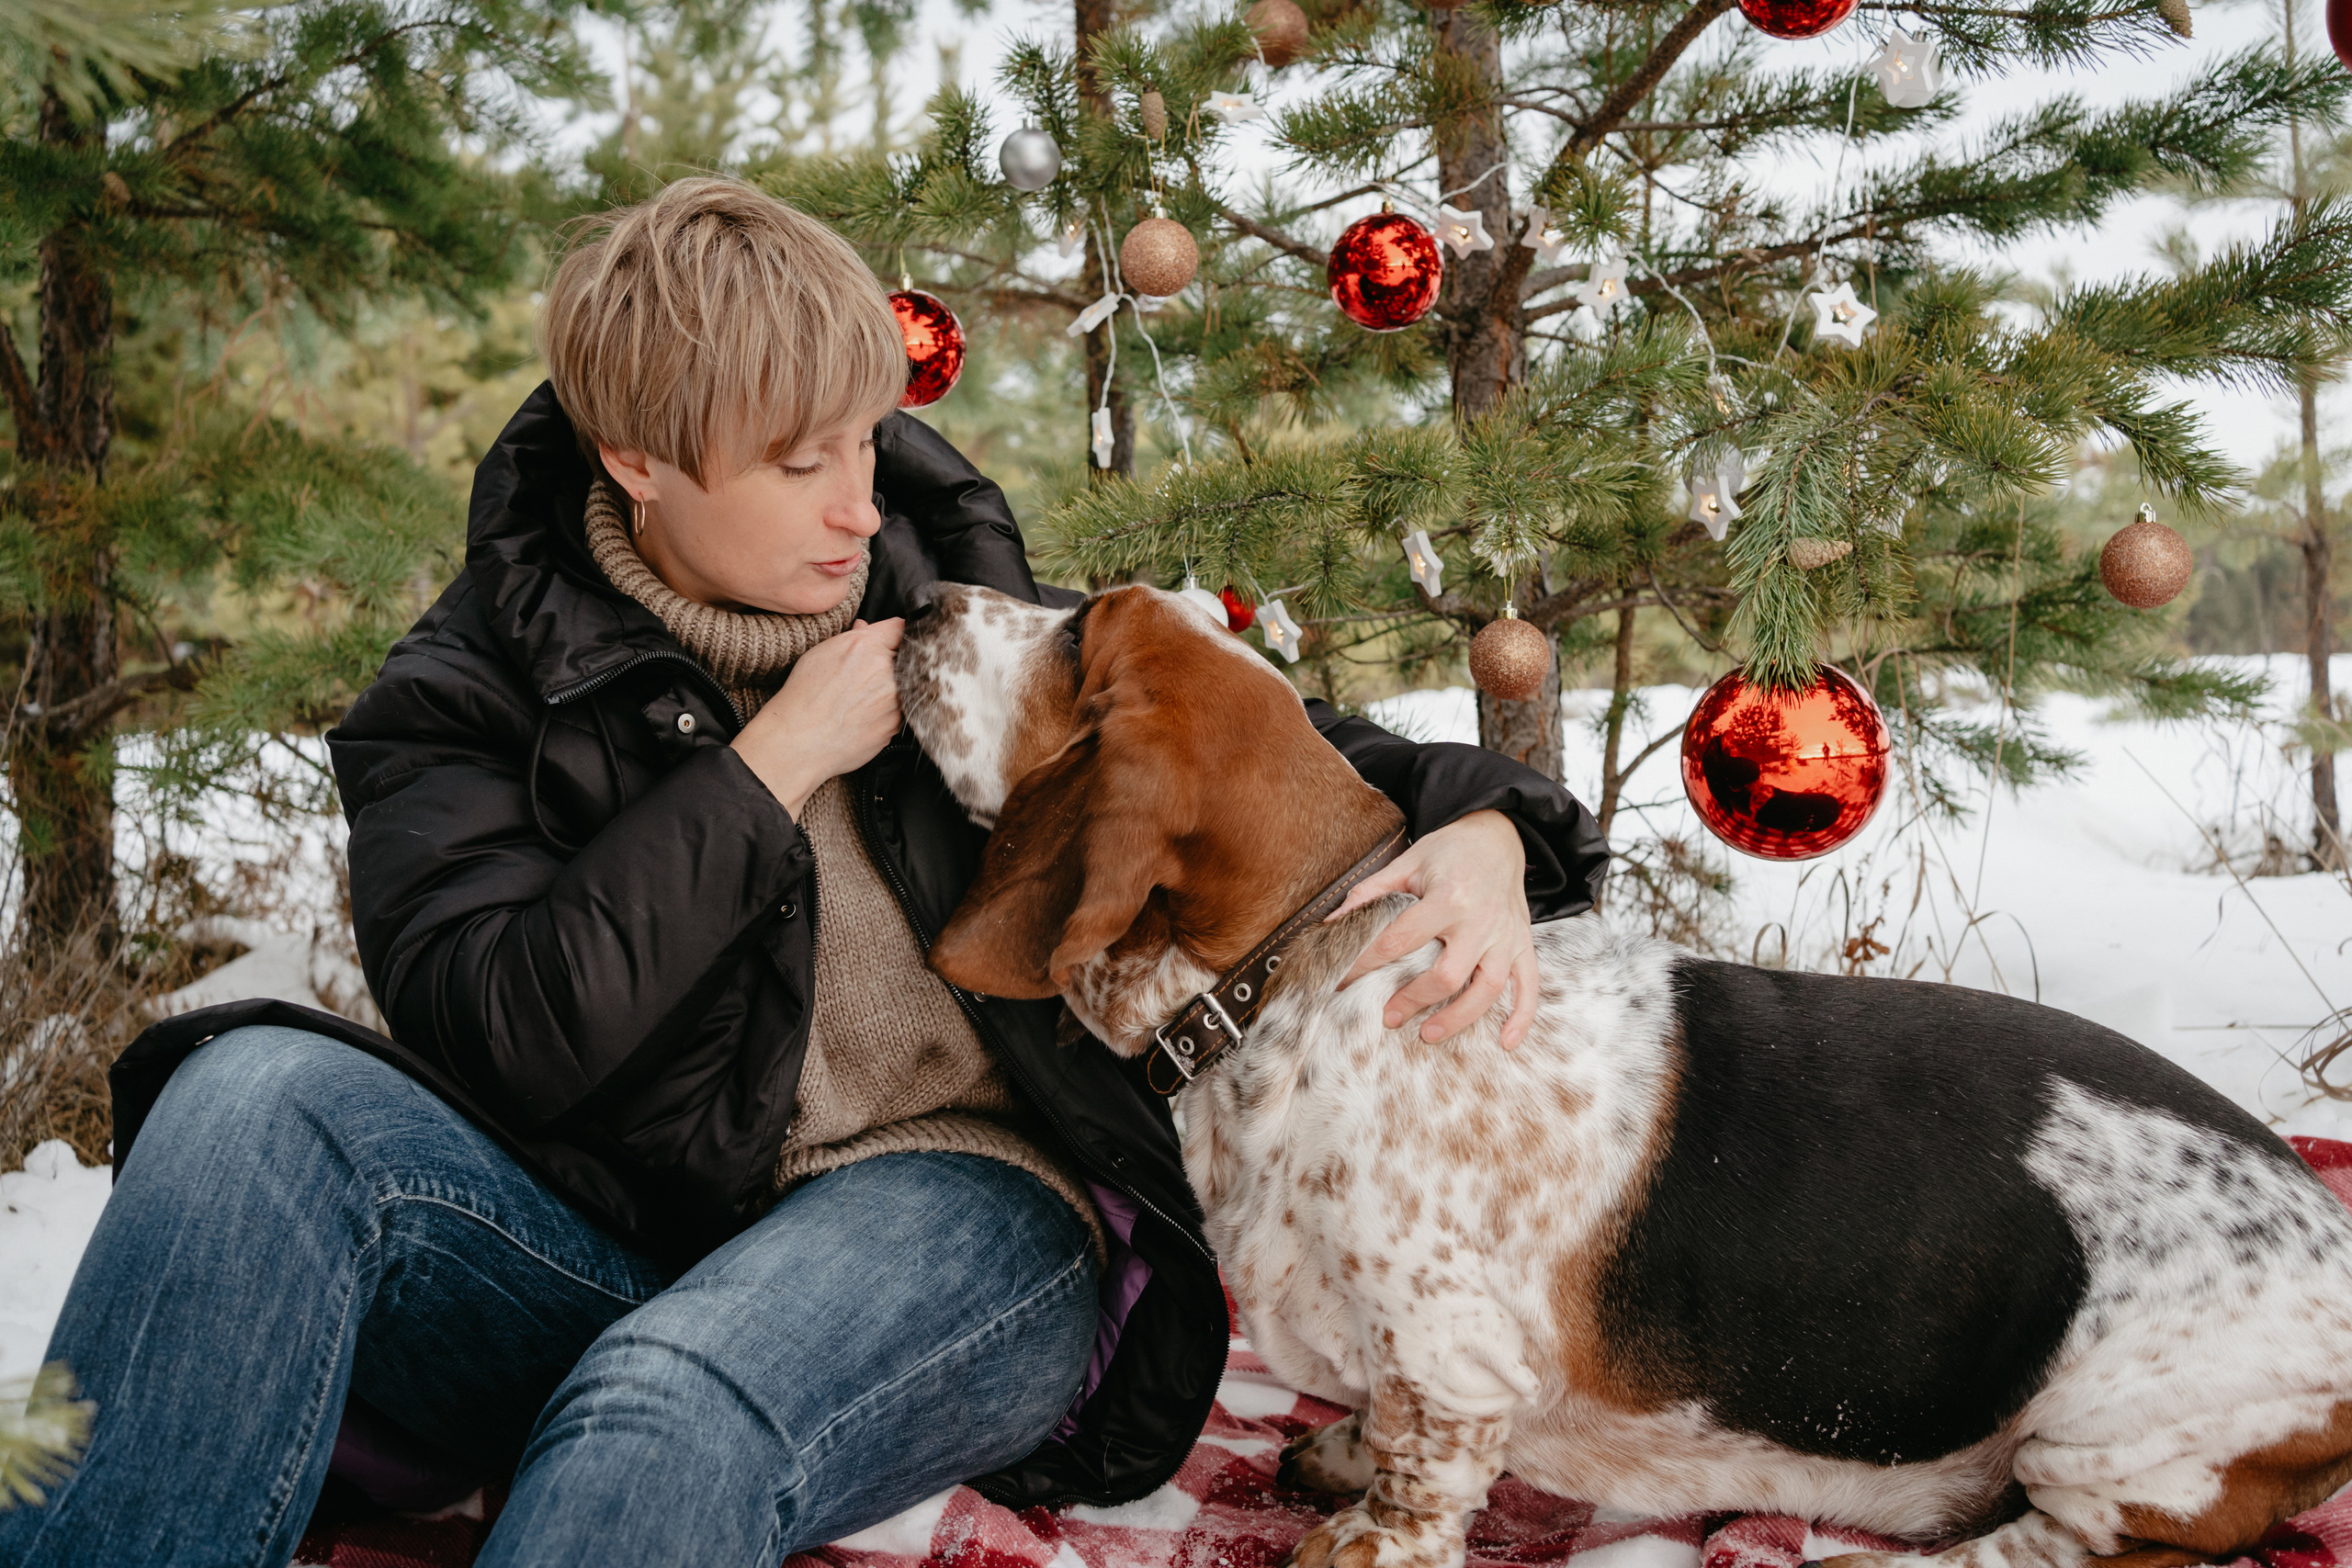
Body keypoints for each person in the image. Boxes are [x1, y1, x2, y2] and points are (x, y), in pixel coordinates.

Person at [0, 177, 1610, 1568]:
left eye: (867, 437)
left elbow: (1256, 742)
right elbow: (498, 1034)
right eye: (796, 465)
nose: (859, 505)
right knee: (240, 1100)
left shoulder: (937, 590)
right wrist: (764, 769)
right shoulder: (455, 702)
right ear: (636, 458)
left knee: (666, 1405)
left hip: (964, 1206)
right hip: (612, 1234)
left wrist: (1489, 825)